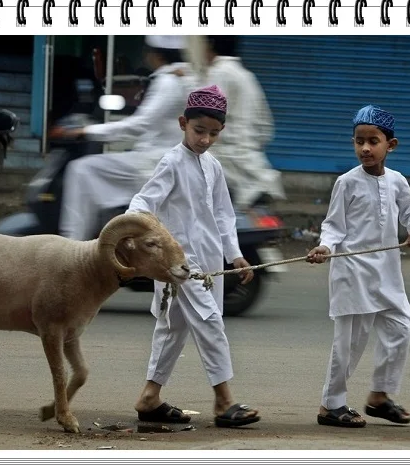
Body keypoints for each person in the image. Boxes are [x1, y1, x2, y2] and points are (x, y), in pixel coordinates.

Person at [127, 85, 261, 428]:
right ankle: (223, 402)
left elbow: (223, 215)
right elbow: (142, 204)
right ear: (183, 123)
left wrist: (235, 255)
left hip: (210, 261)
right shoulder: (171, 162)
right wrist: (140, 239)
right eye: (199, 131)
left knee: (172, 329)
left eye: (213, 133)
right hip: (180, 264)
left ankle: (148, 398)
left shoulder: (213, 165)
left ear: (222, 132)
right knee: (210, 321)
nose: (204, 139)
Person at [306, 105, 410, 428]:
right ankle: (331, 405)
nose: (365, 148)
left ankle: (380, 396)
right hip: (352, 273)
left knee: (401, 326)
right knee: (349, 343)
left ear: (391, 145)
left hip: (387, 271)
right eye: (359, 141)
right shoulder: (346, 183)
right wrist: (325, 247)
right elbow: (333, 226)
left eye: (373, 141)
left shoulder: (398, 182)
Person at [52, 35, 194, 240]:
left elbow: (140, 124)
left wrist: (85, 131)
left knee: (81, 169)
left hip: (155, 162)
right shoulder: (186, 78)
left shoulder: (168, 82)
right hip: (165, 158)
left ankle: (73, 248)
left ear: (155, 54)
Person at [186, 35, 286, 209]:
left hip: (227, 165)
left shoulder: (219, 73)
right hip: (254, 165)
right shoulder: (247, 76)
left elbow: (203, 115)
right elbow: (265, 127)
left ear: (209, 44)